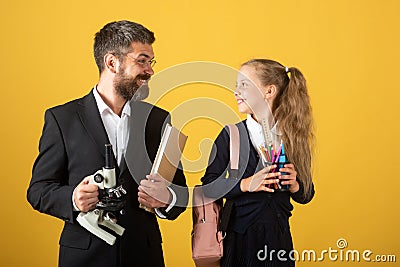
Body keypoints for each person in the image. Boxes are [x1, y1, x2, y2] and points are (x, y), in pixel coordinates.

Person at [27, 20, 188, 267]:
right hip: (84, 258)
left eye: (151, 62)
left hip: (144, 257)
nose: (150, 70)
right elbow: (38, 190)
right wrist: (73, 198)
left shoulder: (158, 119)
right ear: (112, 62)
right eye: (142, 60)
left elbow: (180, 193)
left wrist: (166, 201)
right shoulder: (62, 119)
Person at [201, 59, 315, 266]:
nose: (236, 91)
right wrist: (244, 185)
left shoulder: (292, 137)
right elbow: (208, 185)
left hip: (279, 241)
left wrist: (296, 184)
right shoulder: (231, 135)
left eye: (244, 84)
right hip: (239, 239)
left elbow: (307, 194)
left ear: (268, 91)